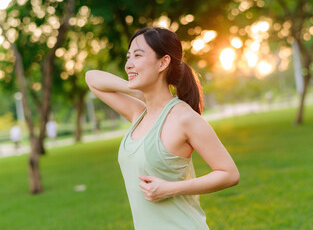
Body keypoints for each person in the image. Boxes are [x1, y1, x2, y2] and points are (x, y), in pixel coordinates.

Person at [85, 27, 240, 230]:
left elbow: (229, 174)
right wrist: (137, 90)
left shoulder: (184, 118)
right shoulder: (139, 114)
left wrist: (170, 189)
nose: (129, 64)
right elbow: (92, 78)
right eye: (128, 57)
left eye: (138, 55)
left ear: (163, 62)